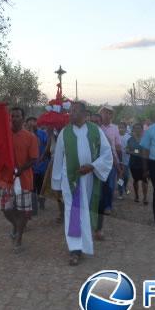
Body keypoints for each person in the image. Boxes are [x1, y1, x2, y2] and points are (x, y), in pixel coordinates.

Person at [51, 101, 113, 265]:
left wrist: (93, 166)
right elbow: (58, 159)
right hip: (70, 181)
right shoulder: (65, 133)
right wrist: (56, 184)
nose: (71, 113)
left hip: (89, 179)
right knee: (72, 213)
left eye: (75, 111)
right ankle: (75, 250)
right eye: (70, 110)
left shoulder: (95, 130)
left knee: (84, 213)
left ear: (85, 114)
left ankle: (84, 245)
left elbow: (107, 154)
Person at [0, 107, 38, 253]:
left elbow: (34, 158)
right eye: (12, 116)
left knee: (22, 211)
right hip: (6, 179)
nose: (14, 119)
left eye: (17, 116)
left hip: (24, 180)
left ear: (23, 119)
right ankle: (16, 226)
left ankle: (19, 238)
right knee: (6, 209)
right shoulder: (4, 135)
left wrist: (20, 170)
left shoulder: (30, 137)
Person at [98, 105, 122, 217]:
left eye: (109, 113)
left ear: (112, 115)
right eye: (105, 112)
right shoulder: (97, 127)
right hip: (99, 161)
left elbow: (117, 146)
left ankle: (108, 206)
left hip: (113, 161)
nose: (107, 115)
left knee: (110, 185)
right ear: (101, 114)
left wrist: (120, 163)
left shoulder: (115, 128)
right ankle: (101, 205)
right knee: (100, 184)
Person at [26, 116, 49, 214]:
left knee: (41, 186)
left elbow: (42, 145)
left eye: (34, 121)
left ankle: (42, 203)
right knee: (32, 187)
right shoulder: (25, 134)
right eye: (30, 121)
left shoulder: (43, 133)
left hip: (42, 165)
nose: (32, 123)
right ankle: (34, 207)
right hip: (31, 166)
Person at [126, 123, 149, 205]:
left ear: (142, 130)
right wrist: (136, 151)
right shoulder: (130, 140)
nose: (137, 130)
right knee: (135, 180)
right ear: (133, 130)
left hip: (144, 163)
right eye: (135, 128)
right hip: (133, 163)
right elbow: (127, 150)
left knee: (144, 180)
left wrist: (134, 151)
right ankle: (136, 196)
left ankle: (145, 197)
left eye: (139, 128)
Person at [117, 122, 131, 199]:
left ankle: (125, 187)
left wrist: (130, 150)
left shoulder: (129, 137)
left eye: (123, 127)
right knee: (120, 177)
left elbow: (136, 150)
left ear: (126, 129)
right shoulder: (116, 136)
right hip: (118, 161)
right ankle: (120, 192)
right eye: (119, 127)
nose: (121, 129)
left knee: (126, 177)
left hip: (127, 161)